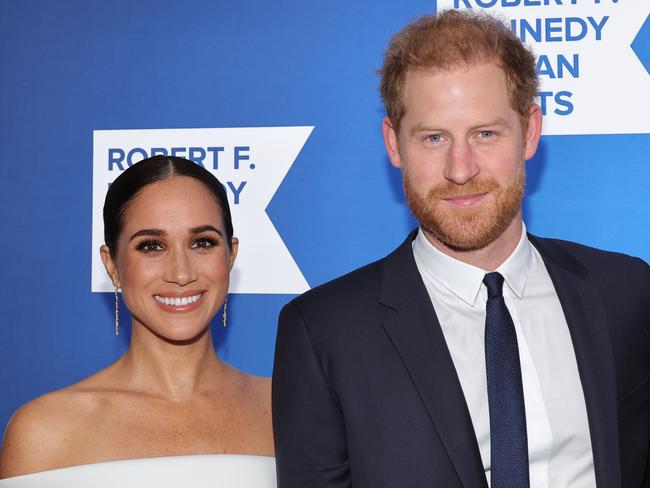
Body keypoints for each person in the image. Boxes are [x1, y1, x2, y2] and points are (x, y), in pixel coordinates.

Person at [272, 10, 650, 488]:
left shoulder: (626, 291)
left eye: (485, 134)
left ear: (530, 131)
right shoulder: (323, 332)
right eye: (433, 138)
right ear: (393, 143)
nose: (460, 168)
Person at [0, 156, 276, 487]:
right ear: (112, 265)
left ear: (230, 255)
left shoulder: (287, 407)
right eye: (151, 246)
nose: (181, 273)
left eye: (202, 242)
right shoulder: (44, 431)